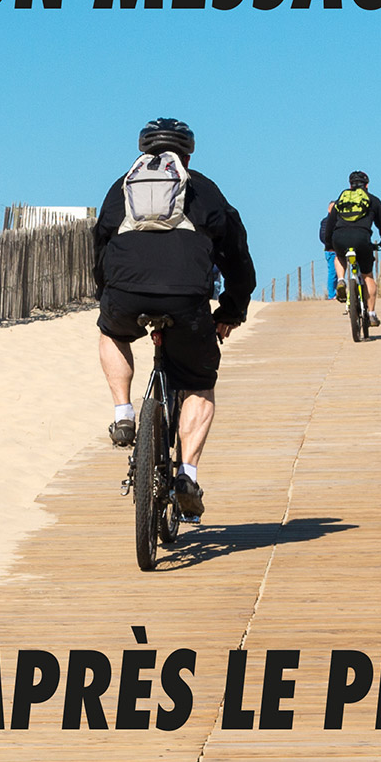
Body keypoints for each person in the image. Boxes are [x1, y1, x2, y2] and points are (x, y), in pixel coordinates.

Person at [94, 118, 254, 518]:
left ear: (141, 150)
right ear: (188, 153)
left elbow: (100, 243)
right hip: (186, 298)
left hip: (125, 291)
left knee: (111, 334)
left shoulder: (122, 187)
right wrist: (232, 308)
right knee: (199, 381)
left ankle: (123, 414)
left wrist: (108, 296)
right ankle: (187, 473)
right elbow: (235, 251)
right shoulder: (202, 188)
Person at [318, 171, 381, 326]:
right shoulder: (373, 200)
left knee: (339, 256)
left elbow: (330, 222)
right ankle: (371, 313)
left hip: (340, 238)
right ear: (367, 185)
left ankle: (341, 280)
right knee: (367, 276)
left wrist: (329, 244)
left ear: (350, 185)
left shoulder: (341, 200)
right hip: (362, 240)